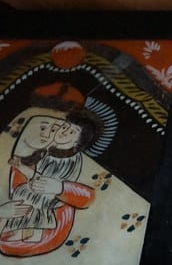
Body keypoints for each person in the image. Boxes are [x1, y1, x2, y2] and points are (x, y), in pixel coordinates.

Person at [1, 109, 99, 257]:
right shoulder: (46, 151)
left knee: (36, 214)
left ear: (77, 142)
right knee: (23, 206)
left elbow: (86, 196)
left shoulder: (73, 160)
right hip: (33, 190)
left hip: (48, 197)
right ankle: (18, 232)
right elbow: (35, 174)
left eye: (72, 132)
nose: (64, 132)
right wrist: (20, 166)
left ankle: (33, 235)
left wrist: (58, 187)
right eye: (64, 127)